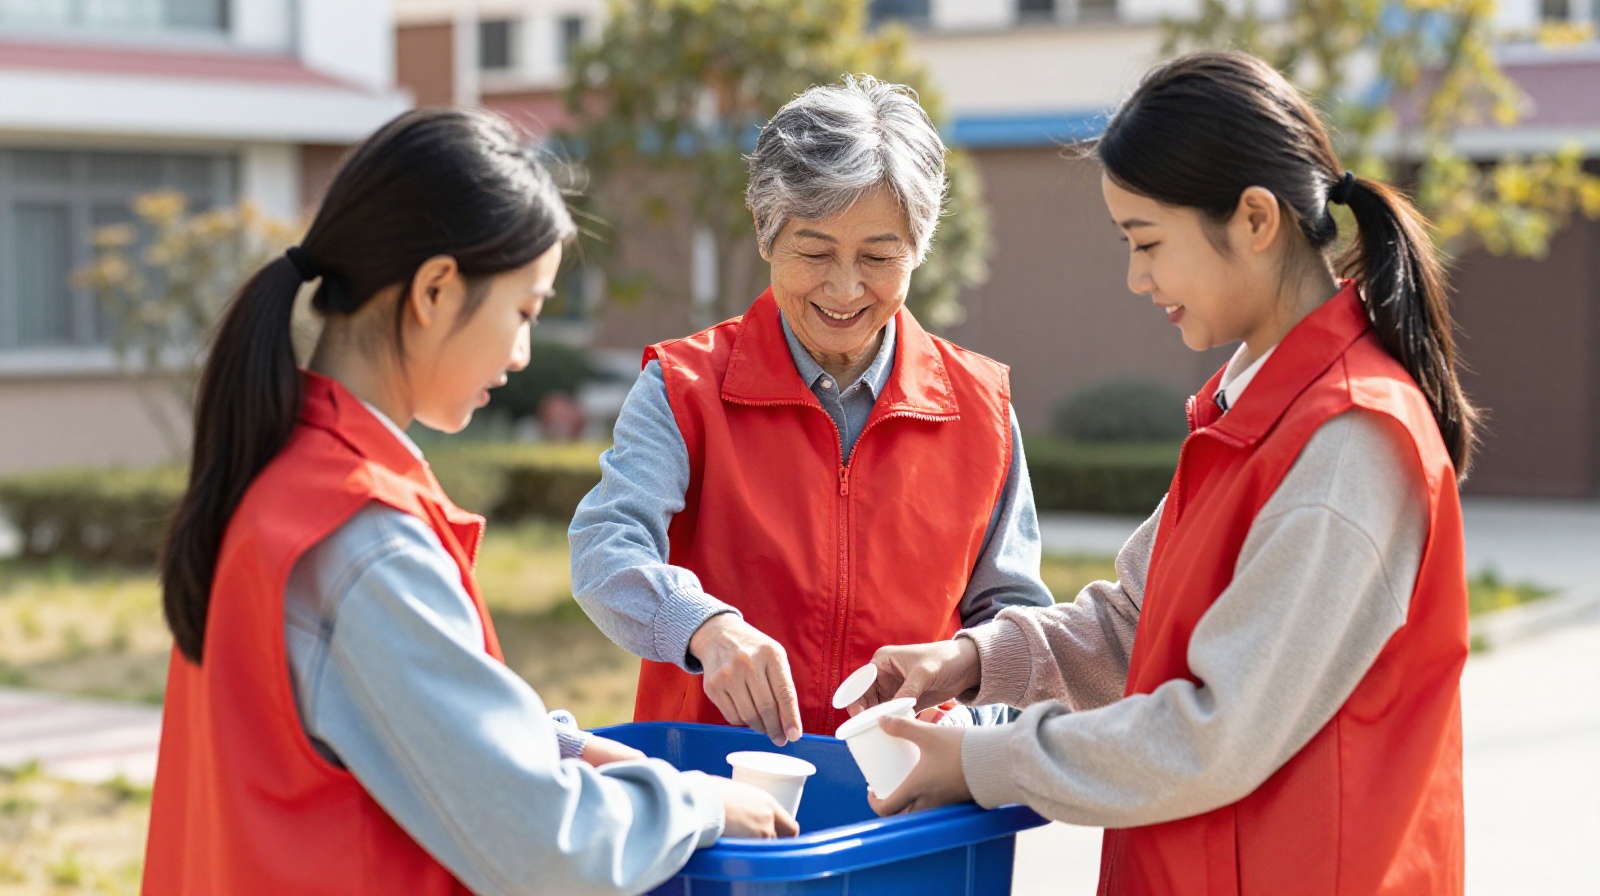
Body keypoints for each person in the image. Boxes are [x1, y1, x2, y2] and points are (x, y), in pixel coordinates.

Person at [852, 51, 1474, 894]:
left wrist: (983, 759)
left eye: (1147, 242)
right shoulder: (1248, 407)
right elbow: (1131, 625)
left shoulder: (1350, 441)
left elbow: (1211, 739)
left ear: (1256, 220)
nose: (1138, 278)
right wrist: (970, 659)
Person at [143, 108, 795, 896]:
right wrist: (699, 804)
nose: (523, 354)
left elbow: (378, 721)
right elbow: (546, 845)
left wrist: (558, 747)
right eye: (523, 312)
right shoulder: (362, 537)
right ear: (435, 290)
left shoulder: (282, 477)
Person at [568, 75, 1052, 746]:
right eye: (815, 252)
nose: (846, 287)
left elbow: (1013, 613)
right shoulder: (683, 386)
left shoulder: (982, 408)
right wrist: (704, 628)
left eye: (879, 256)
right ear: (767, 235)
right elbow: (604, 547)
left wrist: (970, 717)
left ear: (919, 251)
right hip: (720, 790)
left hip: (912, 795)